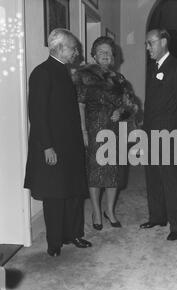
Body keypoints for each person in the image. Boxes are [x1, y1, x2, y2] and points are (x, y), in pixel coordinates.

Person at [24, 28, 92, 257]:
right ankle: (54, 243)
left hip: (70, 145)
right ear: (60, 48)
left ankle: (73, 234)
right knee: (54, 195)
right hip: (52, 146)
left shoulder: (65, 72)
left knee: (73, 192)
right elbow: (37, 114)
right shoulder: (42, 73)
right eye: (73, 48)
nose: (77, 53)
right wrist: (47, 146)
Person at [75, 36, 139, 230]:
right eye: (101, 52)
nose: (105, 55)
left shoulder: (120, 79)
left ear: (113, 57)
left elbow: (131, 106)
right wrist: (83, 131)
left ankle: (109, 211)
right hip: (94, 130)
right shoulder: (84, 76)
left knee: (114, 173)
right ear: (94, 55)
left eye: (109, 53)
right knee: (95, 173)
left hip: (115, 132)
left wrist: (122, 112)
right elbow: (80, 105)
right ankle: (96, 211)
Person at [140, 29, 177, 241]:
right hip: (151, 132)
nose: (147, 48)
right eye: (146, 44)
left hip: (170, 135)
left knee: (172, 180)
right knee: (153, 177)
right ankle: (158, 217)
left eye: (150, 43)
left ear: (163, 42)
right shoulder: (152, 68)